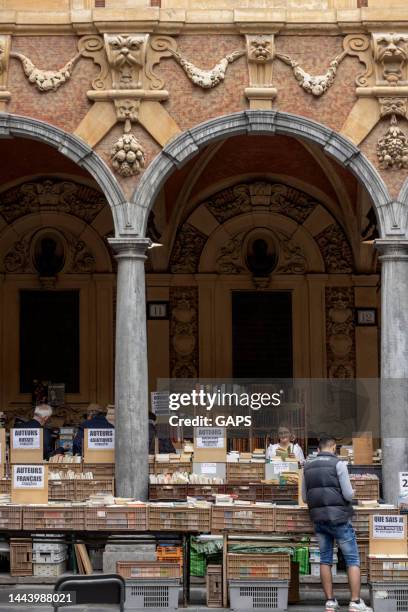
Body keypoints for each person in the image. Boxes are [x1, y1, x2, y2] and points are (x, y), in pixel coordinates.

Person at [302, 435, 372, 612]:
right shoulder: (339, 464)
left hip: (319, 519)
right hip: (339, 518)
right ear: (333, 448)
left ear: (318, 449)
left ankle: (330, 601)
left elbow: (304, 497)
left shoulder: (307, 466)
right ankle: (355, 602)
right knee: (352, 559)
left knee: (325, 559)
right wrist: (353, 490)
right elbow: (348, 495)